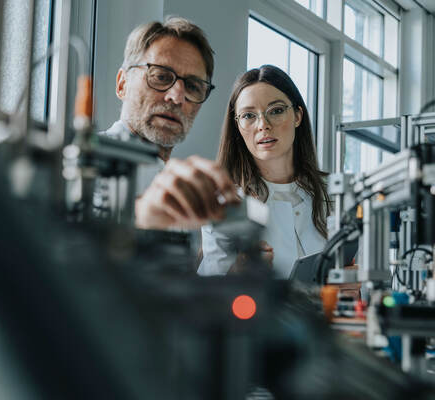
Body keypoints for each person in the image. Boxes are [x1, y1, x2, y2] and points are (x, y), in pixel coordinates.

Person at [102, 17, 238, 230]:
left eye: (193, 86)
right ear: (122, 84)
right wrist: (142, 215)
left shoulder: (180, 187)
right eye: (161, 76)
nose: (177, 97)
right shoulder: (80, 162)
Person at [198, 65, 331, 278]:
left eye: (276, 111)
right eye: (249, 115)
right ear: (238, 127)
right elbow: (206, 299)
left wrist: (354, 286)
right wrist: (239, 271)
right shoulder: (224, 203)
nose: (263, 125)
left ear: (297, 116)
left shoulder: (335, 194)